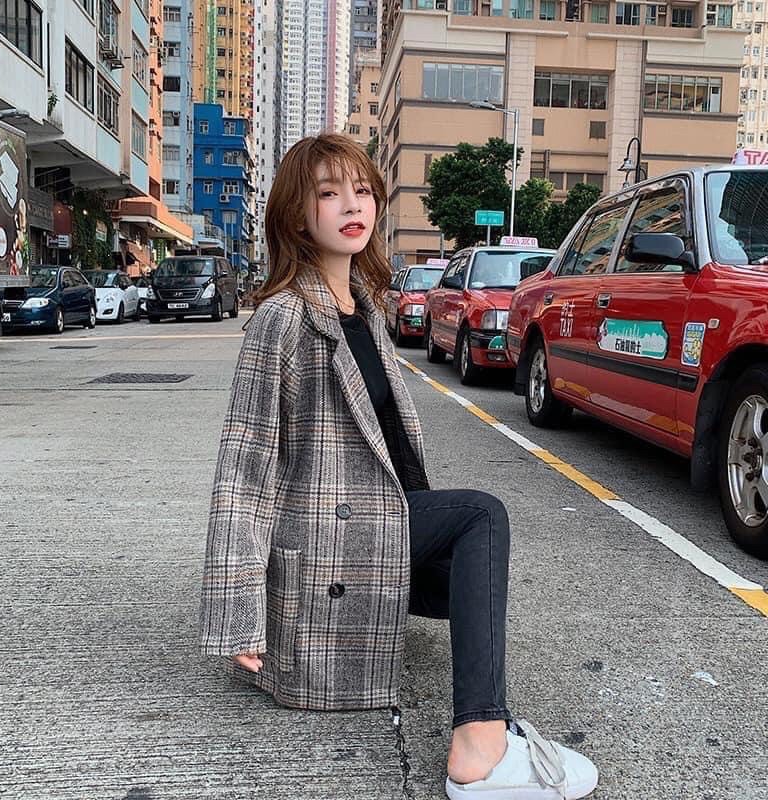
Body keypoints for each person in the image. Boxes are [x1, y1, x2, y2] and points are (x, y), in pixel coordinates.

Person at [199, 133, 598, 800]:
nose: (351, 206)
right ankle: (479, 744)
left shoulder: (364, 307)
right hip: (326, 542)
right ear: (297, 214)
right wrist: (240, 613)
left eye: (362, 191)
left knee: (470, 576)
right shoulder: (283, 318)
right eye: (328, 194)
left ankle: (485, 723)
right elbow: (244, 469)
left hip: (363, 532)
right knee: (480, 517)